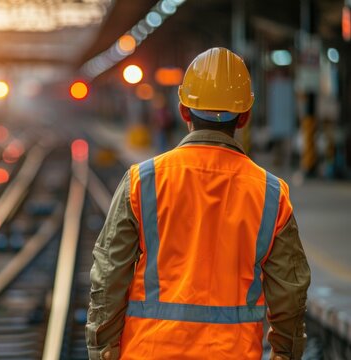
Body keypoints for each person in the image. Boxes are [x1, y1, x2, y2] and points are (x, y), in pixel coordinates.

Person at [85, 47, 311, 360]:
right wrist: (285, 353)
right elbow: (290, 291)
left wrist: (102, 349)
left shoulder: (143, 180)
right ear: (244, 116)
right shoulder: (271, 193)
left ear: (183, 111)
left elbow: (110, 275)